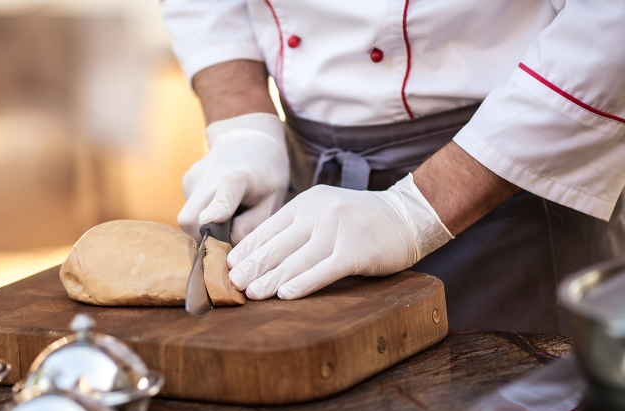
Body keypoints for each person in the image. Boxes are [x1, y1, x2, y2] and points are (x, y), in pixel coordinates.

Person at [161, 0, 625, 334]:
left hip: (510, 184)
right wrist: (243, 127)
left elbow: (610, 22)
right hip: (311, 196)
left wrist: (415, 213)